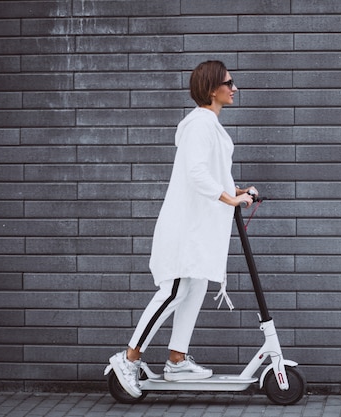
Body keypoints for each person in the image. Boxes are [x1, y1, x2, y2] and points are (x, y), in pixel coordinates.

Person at [109, 60, 257, 398]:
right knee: (175, 292)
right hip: (183, 229)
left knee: (197, 288)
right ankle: (128, 357)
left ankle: (177, 360)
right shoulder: (199, 125)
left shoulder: (210, 125)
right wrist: (229, 199)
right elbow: (196, 173)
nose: (234, 89)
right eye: (229, 83)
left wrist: (236, 191)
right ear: (210, 90)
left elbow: (212, 173)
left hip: (196, 230)